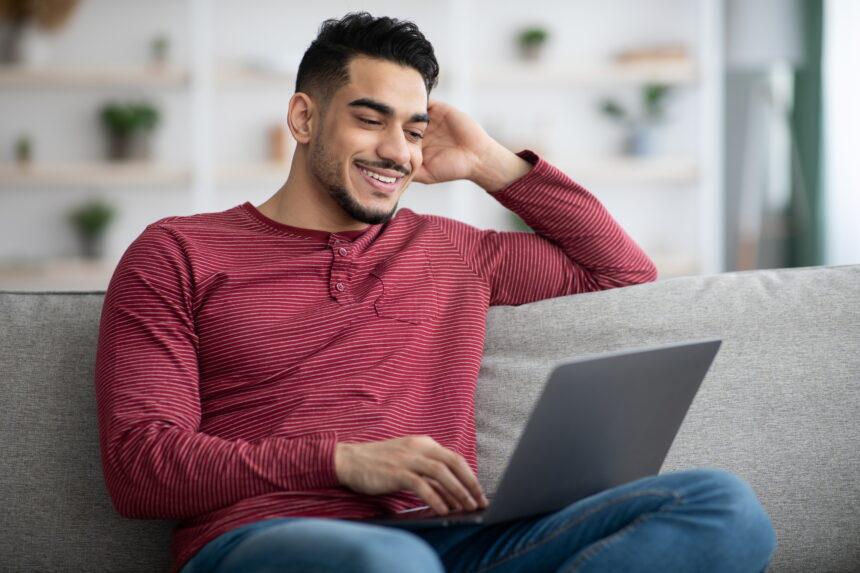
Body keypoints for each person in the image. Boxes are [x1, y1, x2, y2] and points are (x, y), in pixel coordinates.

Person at [93, 11, 777, 573]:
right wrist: (341, 459)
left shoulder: (455, 249)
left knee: (722, 505)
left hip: (454, 543)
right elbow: (141, 467)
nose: (398, 150)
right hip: (270, 539)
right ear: (304, 119)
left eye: (413, 130)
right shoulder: (177, 252)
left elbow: (620, 271)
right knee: (385, 563)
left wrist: (490, 163)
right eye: (370, 119)